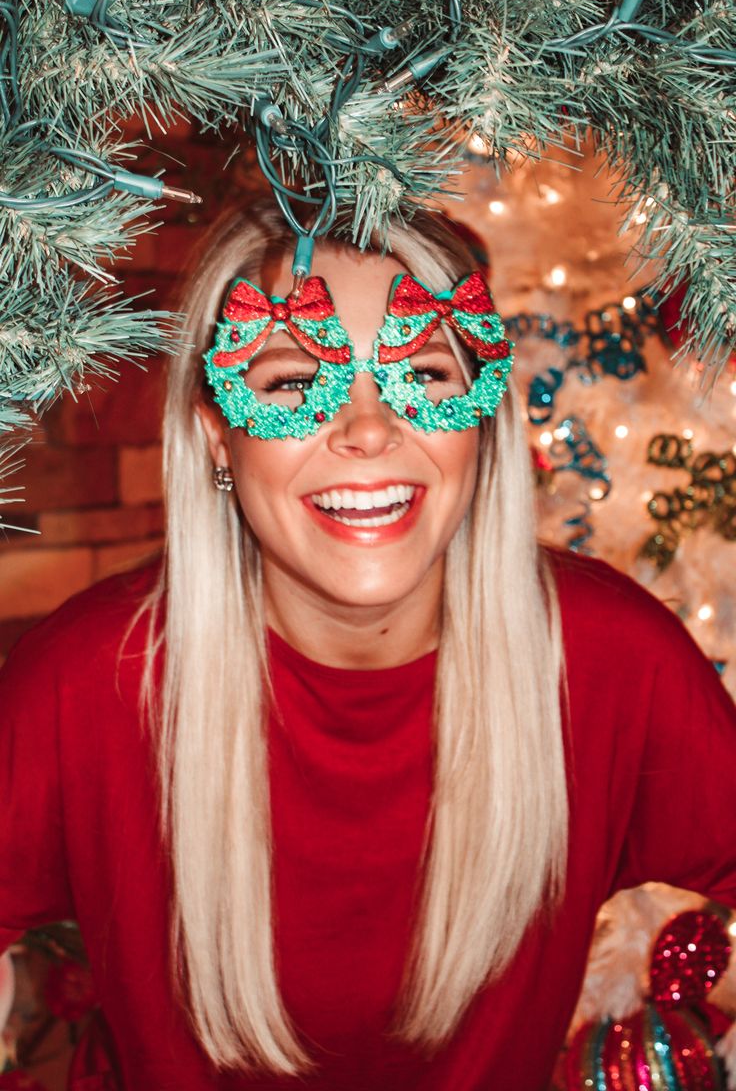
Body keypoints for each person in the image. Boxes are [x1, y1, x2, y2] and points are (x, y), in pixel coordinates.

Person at [1, 200, 735, 1091]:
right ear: (212, 432)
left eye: (424, 374)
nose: (368, 430)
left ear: (482, 420)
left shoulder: (609, 661)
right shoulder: (88, 682)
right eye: (287, 383)